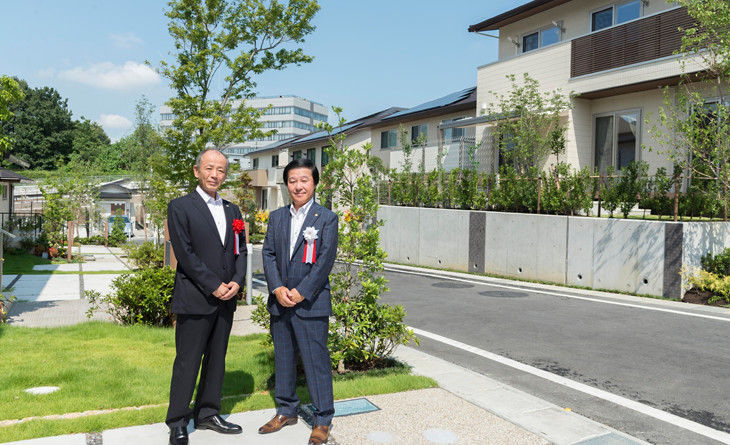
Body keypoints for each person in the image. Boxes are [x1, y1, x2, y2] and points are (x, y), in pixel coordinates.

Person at [165, 149, 247, 445]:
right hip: (196, 297)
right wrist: (213, 284)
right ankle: (177, 420)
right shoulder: (180, 207)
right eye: (210, 168)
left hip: (227, 298)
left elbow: (241, 251)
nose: (215, 174)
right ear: (196, 171)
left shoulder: (232, 210)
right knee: (188, 361)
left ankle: (208, 413)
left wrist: (237, 282)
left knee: (217, 359)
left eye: (221, 170)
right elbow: (184, 253)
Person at [259, 158, 338, 445]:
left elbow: (325, 261)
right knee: (283, 358)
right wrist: (278, 287)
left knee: (316, 361)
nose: (298, 185)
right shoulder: (277, 217)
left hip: (310, 303)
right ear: (287, 185)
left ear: (315, 183)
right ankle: (286, 410)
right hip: (281, 302)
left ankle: (322, 419)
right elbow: (267, 254)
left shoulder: (326, 218)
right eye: (293, 180)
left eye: (304, 180)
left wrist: (302, 291)